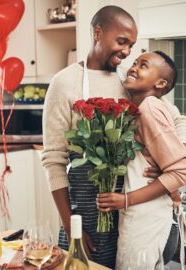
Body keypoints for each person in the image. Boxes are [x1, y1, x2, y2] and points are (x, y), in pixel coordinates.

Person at [42, 5, 186, 268]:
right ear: (98, 33)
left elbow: (176, 118)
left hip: (130, 212)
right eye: (122, 42)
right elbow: (53, 161)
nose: (127, 52)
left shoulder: (129, 83)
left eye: (131, 45)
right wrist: (71, 224)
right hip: (86, 213)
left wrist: (168, 161)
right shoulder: (64, 83)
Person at [96, 51, 186, 270]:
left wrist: (125, 199)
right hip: (149, 218)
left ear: (161, 83)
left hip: (146, 221)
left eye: (143, 65)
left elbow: (181, 171)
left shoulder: (149, 108)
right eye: (135, 62)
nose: (133, 67)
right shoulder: (141, 108)